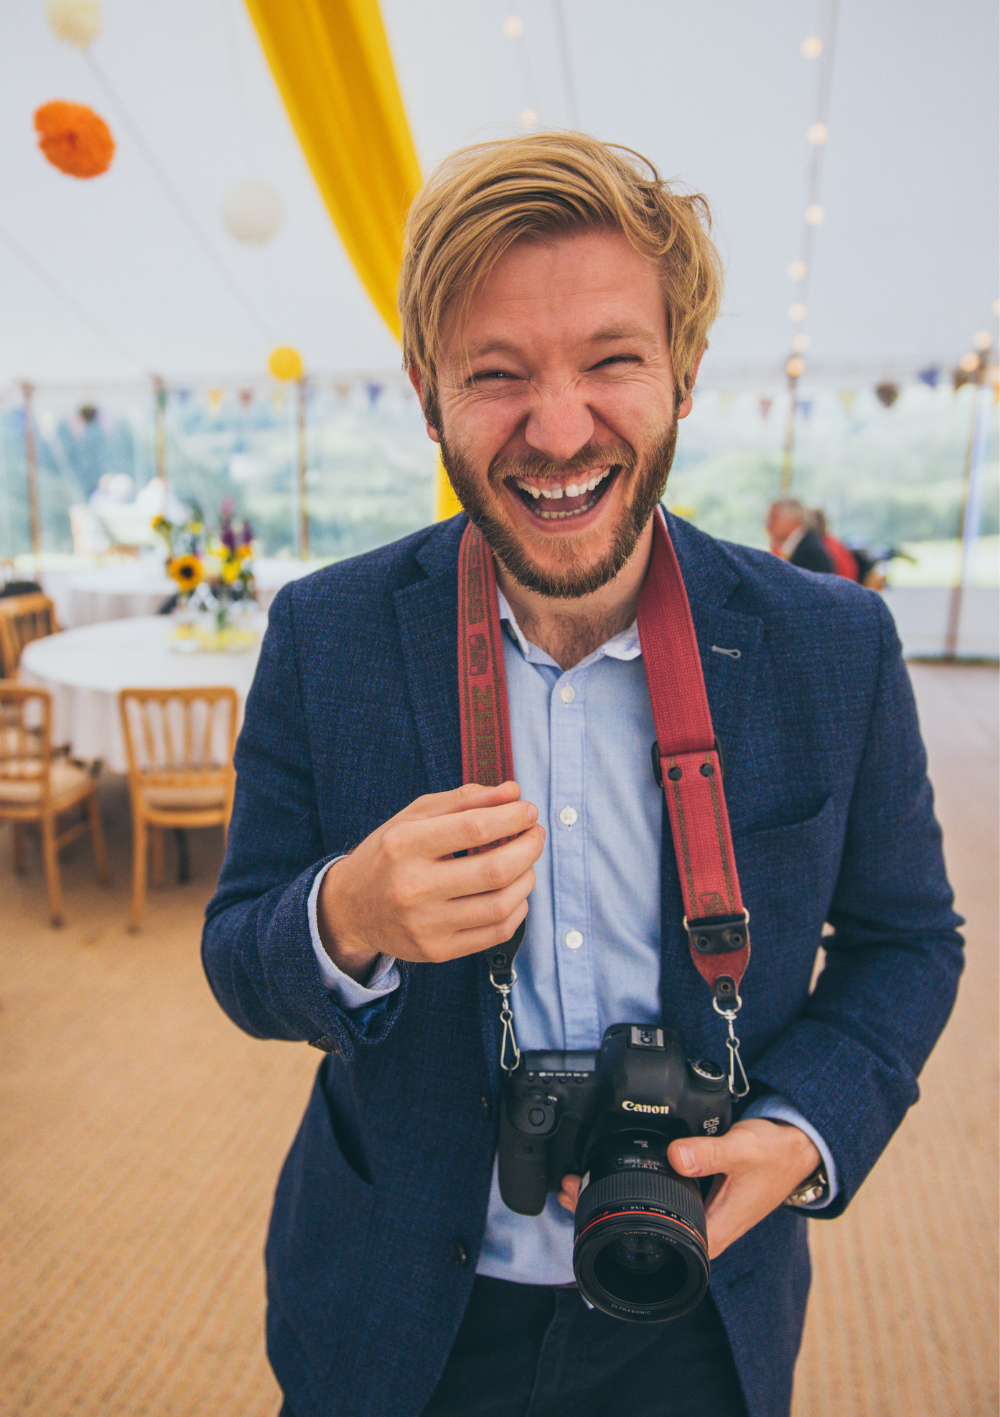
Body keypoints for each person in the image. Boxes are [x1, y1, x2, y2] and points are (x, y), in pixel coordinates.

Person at [202, 133, 962, 1417]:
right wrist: (349, 917)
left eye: (613, 359)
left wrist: (803, 1130)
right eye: (496, 375)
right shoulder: (323, 634)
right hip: (394, 1308)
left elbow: (907, 944)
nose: (559, 432)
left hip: (703, 1304)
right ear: (424, 390)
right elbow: (239, 953)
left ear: (686, 371)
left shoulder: (832, 645)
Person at [765, 497, 834, 574]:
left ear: (792, 520)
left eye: (774, 518)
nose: (768, 525)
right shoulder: (801, 546)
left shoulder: (808, 553)